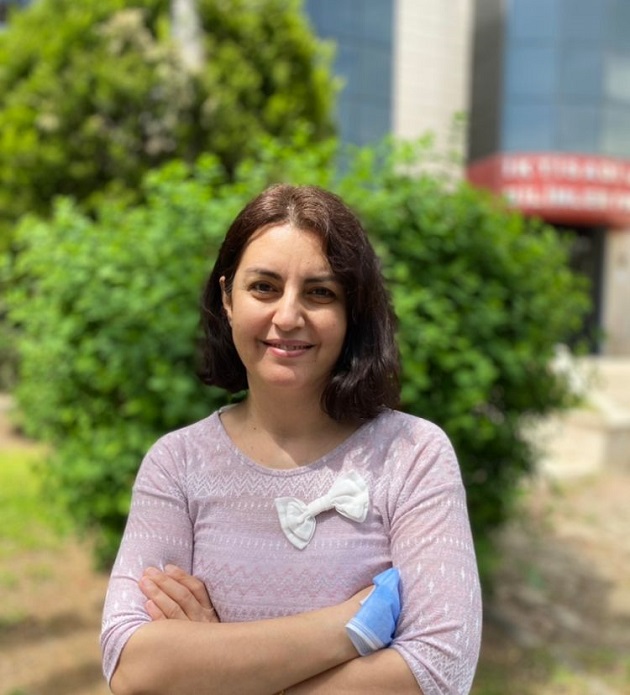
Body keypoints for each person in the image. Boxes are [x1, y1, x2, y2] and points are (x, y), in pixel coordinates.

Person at [100, 184, 482, 694]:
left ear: (352, 312)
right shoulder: (177, 464)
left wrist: (220, 671)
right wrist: (349, 628)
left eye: (320, 292)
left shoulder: (413, 454)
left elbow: (438, 672)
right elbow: (132, 667)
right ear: (227, 299)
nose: (287, 316)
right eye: (264, 287)